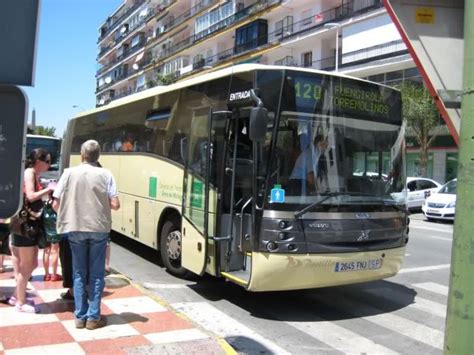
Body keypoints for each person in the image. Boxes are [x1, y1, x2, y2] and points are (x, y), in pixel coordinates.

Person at [53, 140, 120, 330]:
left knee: (79, 273)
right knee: (97, 275)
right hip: (99, 229)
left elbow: (55, 203)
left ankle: (80, 317)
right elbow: (115, 204)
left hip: (75, 228)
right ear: (98, 156)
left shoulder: (68, 173)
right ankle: (93, 317)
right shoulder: (106, 174)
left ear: (82, 155)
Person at [10, 149, 54, 313]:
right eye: (47, 161)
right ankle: (20, 302)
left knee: (31, 264)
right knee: (27, 265)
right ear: (39, 161)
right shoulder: (29, 172)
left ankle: (17, 295)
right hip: (25, 226)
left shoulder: (32, 173)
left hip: (28, 226)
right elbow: (30, 196)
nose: (49, 165)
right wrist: (48, 189)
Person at [42, 190, 62, 282]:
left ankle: (46, 274)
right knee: (55, 252)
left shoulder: (45, 203)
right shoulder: (57, 204)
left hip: (45, 229)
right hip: (55, 230)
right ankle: (54, 274)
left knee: (46, 251)